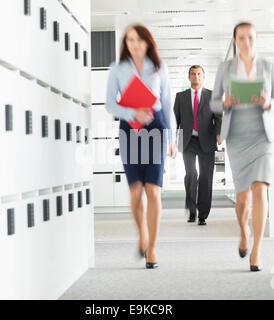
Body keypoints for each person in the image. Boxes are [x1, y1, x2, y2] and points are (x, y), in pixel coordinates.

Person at [210, 22, 274, 271]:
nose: (246, 42)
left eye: (250, 37)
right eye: (241, 38)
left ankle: (257, 251)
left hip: (262, 135)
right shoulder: (225, 68)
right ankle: (244, 233)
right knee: (243, 199)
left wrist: (268, 102)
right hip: (237, 136)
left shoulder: (268, 66)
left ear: (256, 38)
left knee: (261, 189)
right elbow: (213, 103)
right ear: (235, 40)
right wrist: (225, 102)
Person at [105, 24, 176, 269]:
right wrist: (131, 111)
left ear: (148, 42)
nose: (134, 44)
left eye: (139, 40)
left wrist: (172, 138)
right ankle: (142, 234)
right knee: (135, 190)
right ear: (125, 44)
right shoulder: (117, 69)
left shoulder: (158, 67)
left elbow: (166, 103)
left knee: (153, 190)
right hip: (130, 129)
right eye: (130, 40)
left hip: (155, 127)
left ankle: (153, 249)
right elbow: (109, 105)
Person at [173, 65, 221, 225]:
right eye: (193, 74)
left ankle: (202, 215)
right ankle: (192, 211)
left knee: (206, 178)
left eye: (199, 74)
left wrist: (219, 133)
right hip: (188, 142)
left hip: (207, 141)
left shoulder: (212, 96)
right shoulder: (180, 97)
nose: (196, 77)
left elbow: (219, 117)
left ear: (204, 76)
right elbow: (175, 121)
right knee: (191, 175)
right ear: (189, 77)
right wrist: (171, 141)